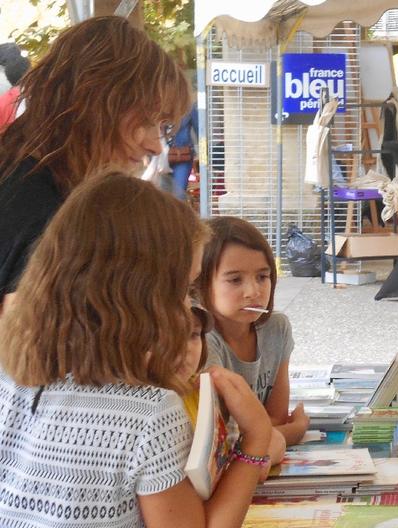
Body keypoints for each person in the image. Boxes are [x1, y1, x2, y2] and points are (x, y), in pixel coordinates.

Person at [0, 174, 274, 527]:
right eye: (181, 288)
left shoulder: (12, 373)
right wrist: (254, 443)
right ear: (143, 296)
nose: (185, 306)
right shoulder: (150, 414)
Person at [0, 16, 190, 311]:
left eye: (163, 126)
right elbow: (36, 349)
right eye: (145, 120)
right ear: (93, 103)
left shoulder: (23, 169)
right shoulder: (43, 213)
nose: (155, 145)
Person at [195, 216, 309, 449]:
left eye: (262, 277)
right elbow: (225, 440)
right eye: (235, 280)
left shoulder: (277, 328)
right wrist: (294, 431)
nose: (253, 291)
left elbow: (276, 416)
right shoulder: (201, 340)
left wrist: (268, 432)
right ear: (201, 283)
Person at [169, 101, 199, 200]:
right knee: (160, 192)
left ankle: (175, 214)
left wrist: (203, 158)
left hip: (182, 155)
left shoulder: (189, 106)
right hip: (159, 157)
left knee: (179, 194)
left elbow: (200, 130)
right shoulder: (155, 104)